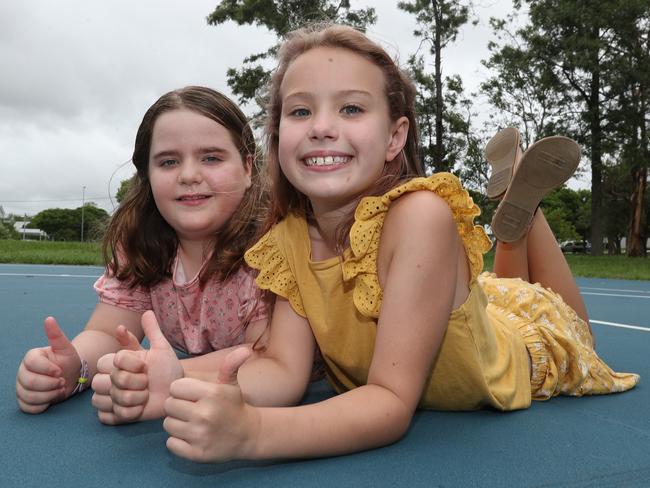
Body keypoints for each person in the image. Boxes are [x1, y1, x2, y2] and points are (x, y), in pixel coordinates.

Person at [106, 24, 638, 462]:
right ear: (276, 138)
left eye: (352, 109)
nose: (321, 127)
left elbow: (388, 401)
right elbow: (283, 371)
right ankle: (513, 219)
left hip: (523, 349)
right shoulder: (284, 239)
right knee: (498, 288)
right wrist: (176, 378)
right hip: (458, 306)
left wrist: (254, 433)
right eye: (299, 111)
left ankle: (525, 216)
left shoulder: (420, 215)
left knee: (572, 328)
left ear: (396, 138)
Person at [15, 86, 269, 422]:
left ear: (248, 168)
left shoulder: (270, 246)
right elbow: (108, 333)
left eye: (211, 157)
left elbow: (269, 357)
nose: (189, 175)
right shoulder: (140, 243)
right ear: (147, 176)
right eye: (168, 161)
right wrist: (75, 367)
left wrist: (163, 373)